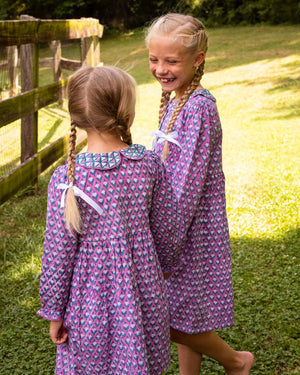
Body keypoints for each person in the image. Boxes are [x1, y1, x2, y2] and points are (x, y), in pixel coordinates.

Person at [37, 65, 185, 375]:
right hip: (145, 290)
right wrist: (164, 268)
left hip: (89, 302)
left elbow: (57, 256)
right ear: (126, 114)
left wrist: (54, 312)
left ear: (76, 116)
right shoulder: (148, 164)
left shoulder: (66, 178)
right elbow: (168, 231)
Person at [146, 13, 254, 375]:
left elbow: (186, 186)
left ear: (198, 59)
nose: (161, 68)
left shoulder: (198, 108)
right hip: (177, 225)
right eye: (154, 59)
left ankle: (236, 362)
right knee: (183, 313)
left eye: (171, 61)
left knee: (174, 319)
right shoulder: (177, 99)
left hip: (189, 231)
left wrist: (162, 236)